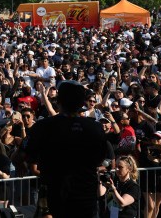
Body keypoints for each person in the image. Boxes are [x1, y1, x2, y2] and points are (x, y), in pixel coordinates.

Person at [24, 80, 109, 218]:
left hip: (58, 197)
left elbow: (26, 155)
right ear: (82, 103)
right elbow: (100, 158)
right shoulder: (95, 127)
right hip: (85, 196)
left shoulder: (43, 126)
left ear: (58, 101)